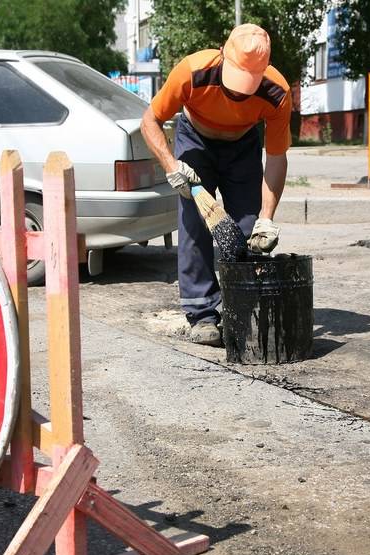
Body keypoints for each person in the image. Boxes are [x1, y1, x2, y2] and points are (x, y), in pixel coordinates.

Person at [140, 24, 291, 346]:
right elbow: (149, 119)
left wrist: (268, 217)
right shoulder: (193, 71)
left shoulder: (277, 92)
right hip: (195, 140)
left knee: (248, 229)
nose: (239, 92)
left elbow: (277, 157)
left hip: (243, 145)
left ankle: (243, 306)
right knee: (195, 224)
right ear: (223, 55)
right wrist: (172, 167)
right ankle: (202, 313)